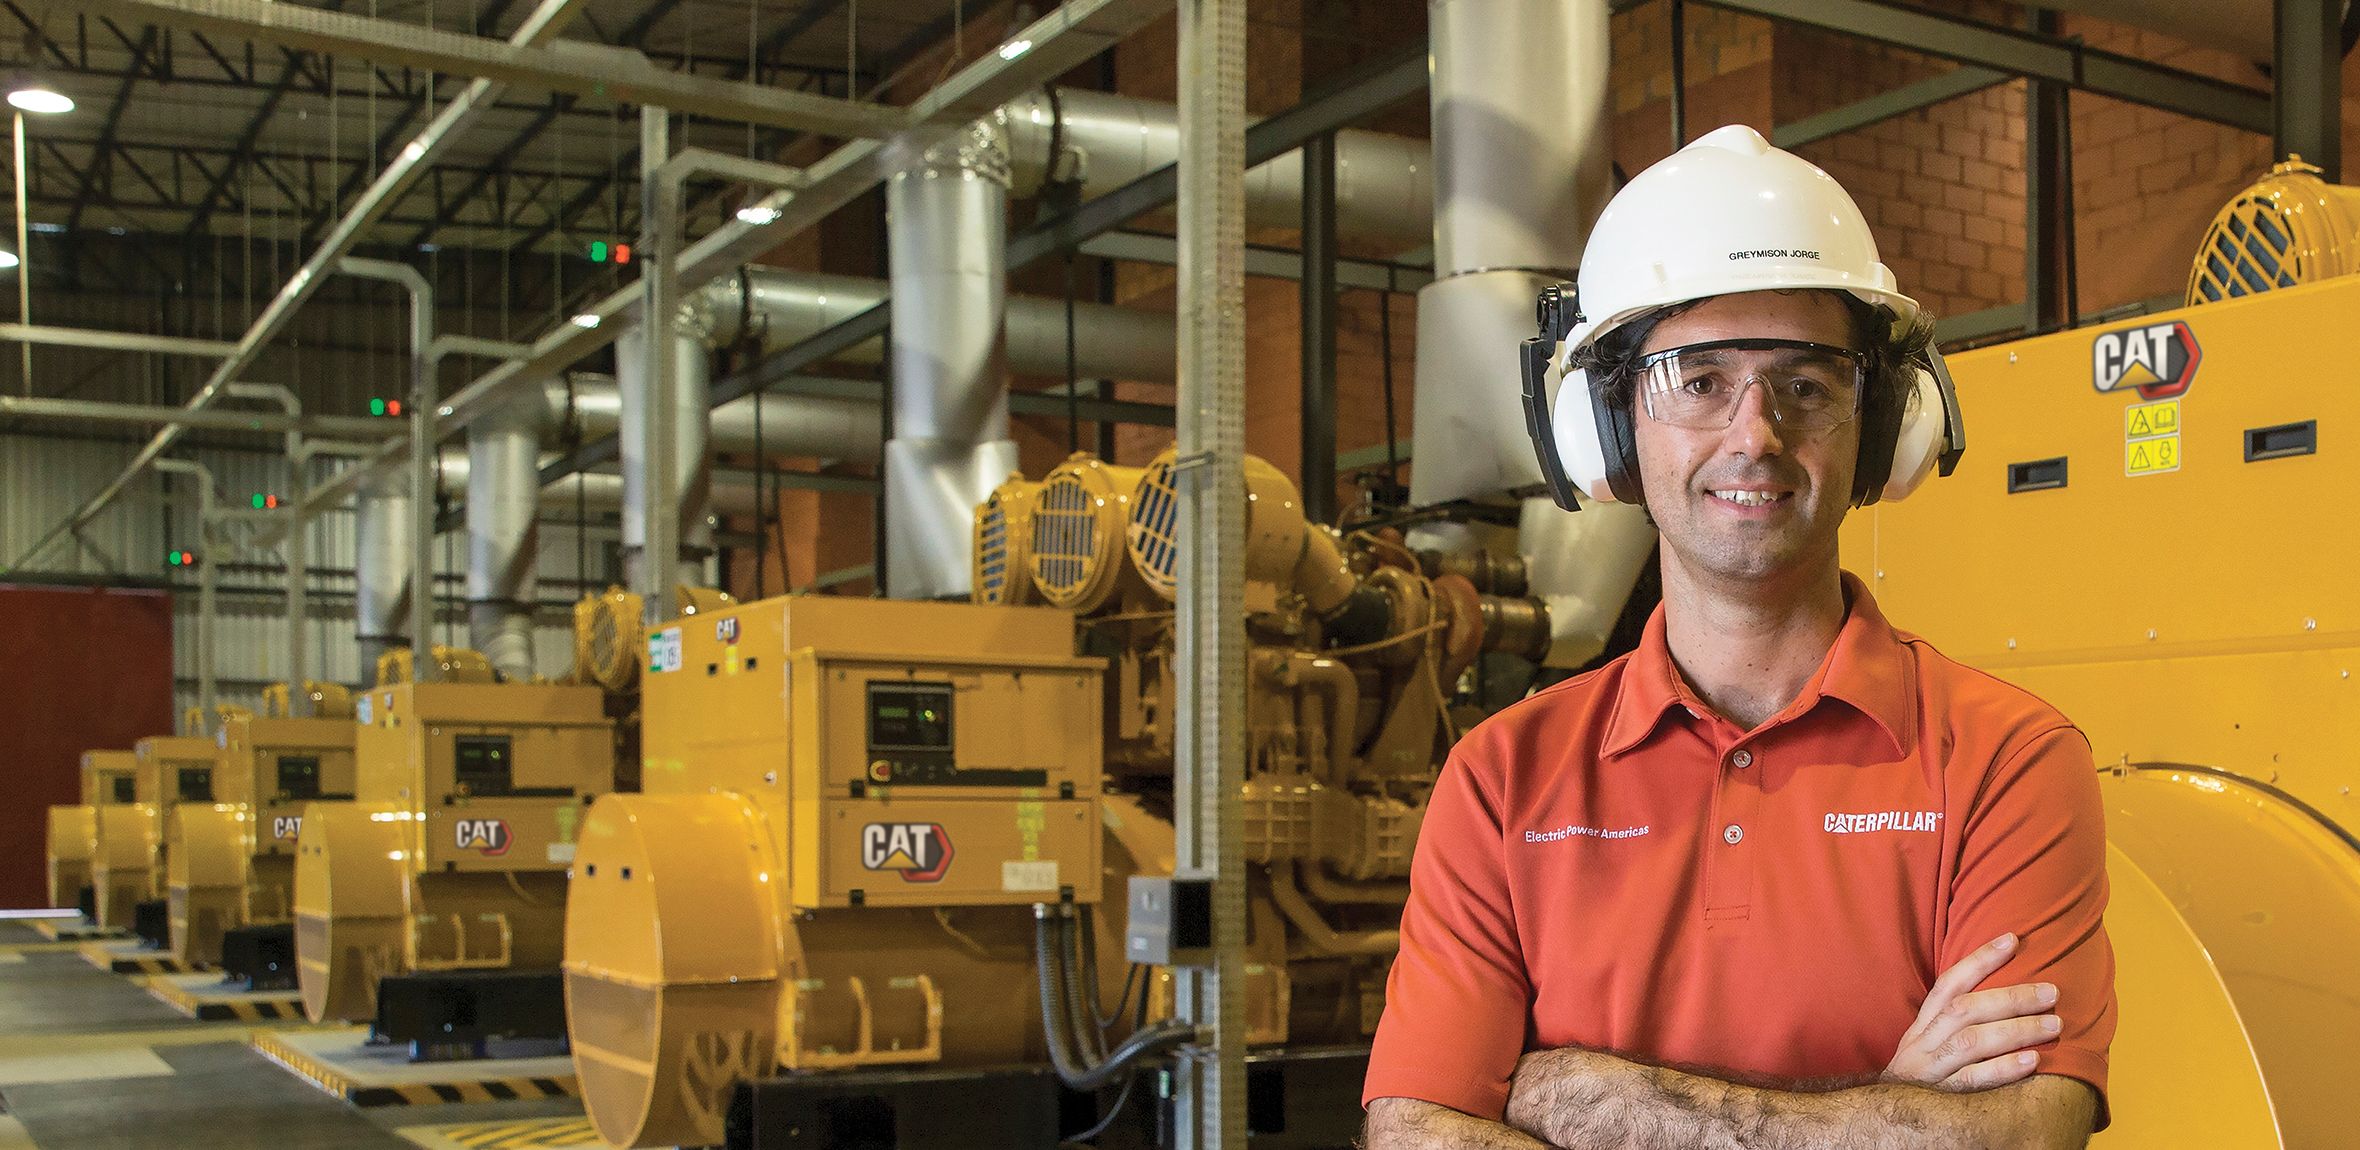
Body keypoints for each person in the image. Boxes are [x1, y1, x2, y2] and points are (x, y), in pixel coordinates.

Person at [1361, 125, 2115, 1149]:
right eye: (1697, 379)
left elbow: (2012, 1134)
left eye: (1806, 385)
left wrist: (1582, 1097)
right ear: (1607, 427)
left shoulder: (2005, 760)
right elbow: (1418, 1133)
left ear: (1882, 428)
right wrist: (1881, 1103)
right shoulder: (1499, 780)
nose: (1754, 434)